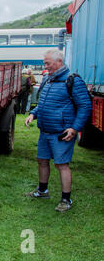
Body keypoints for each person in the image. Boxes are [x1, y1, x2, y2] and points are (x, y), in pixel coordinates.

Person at [24, 49, 92, 212]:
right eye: (45, 62)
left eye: (48, 63)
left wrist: (75, 128)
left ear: (59, 62)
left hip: (62, 133)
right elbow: (44, 103)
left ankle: (66, 200)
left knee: (62, 165)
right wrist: (33, 114)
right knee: (42, 161)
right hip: (45, 131)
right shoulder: (48, 79)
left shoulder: (73, 81)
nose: (45, 66)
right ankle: (42, 191)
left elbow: (85, 106)